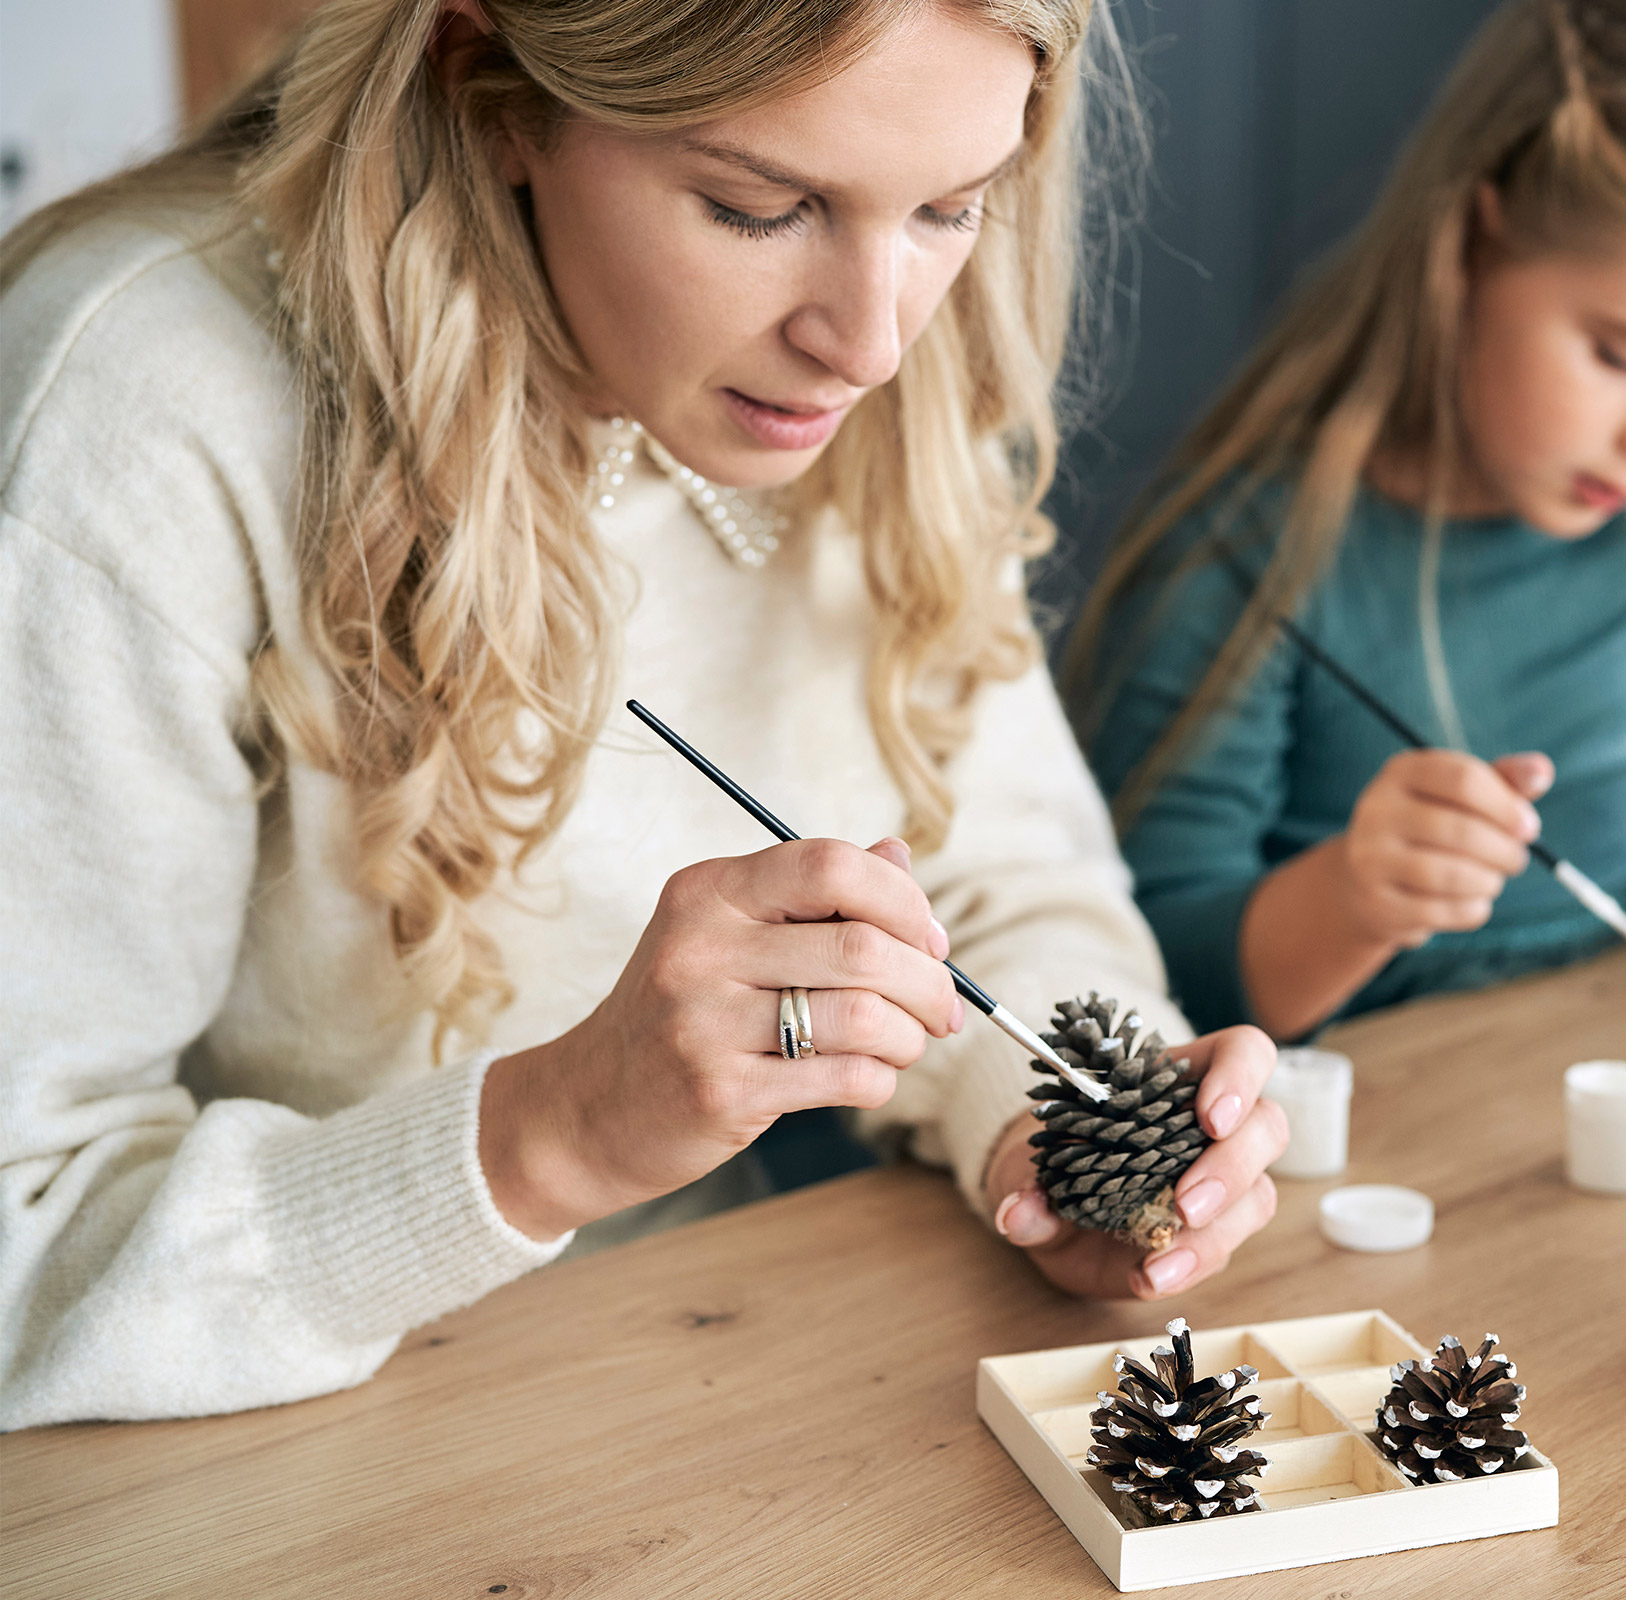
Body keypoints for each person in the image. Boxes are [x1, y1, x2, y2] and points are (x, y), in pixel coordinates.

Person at [0, 0, 1283, 1432]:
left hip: (699, 1390)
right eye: (756, 208)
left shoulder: (902, 373)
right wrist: (551, 1135)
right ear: (491, 88)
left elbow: (1003, 891)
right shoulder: (137, 411)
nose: (865, 342)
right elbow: (21, 1237)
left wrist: (1068, 1129)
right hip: (252, 1466)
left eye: (949, 207)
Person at [1065, 0, 1626, 1043]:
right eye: (1623, 355)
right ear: (1474, 241)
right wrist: (1352, 900)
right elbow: (1146, 975)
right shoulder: (1244, 553)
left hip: (1605, 1069)